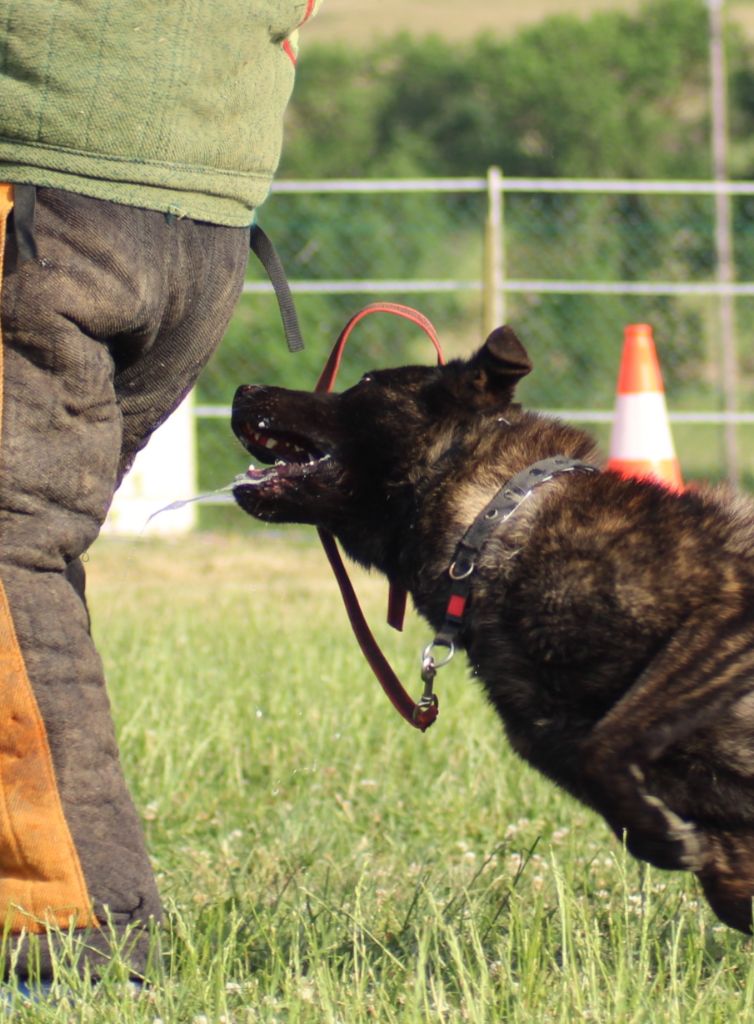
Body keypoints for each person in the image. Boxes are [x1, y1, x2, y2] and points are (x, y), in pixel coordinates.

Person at [0, 0, 321, 987]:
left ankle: (66, 935)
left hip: (49, 190)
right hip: (202, 213)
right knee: (33, 562)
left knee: (11, 560)